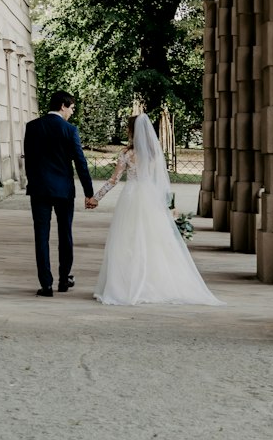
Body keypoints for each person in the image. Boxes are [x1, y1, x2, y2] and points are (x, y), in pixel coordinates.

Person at [92, 112, 221, 306]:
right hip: (151, 198)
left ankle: (125, 285)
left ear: (132, 131)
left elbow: (113, 180)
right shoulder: (154, 153)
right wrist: (170, 205)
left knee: (127, 242)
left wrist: (96, 198)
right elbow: (161, 182)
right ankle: (152, 283)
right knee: (153, 242)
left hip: (132, 198)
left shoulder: (126, 154)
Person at [23, 90, 97, 297]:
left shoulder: (32, 127)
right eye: (72, 108)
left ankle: (46, 285)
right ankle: (64, 279)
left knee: (41, 237)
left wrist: (34, 182)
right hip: (64, 191)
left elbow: (29, 160)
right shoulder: (69, 130)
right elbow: (81, 163)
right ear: (63, 106)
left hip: (39, 190)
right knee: (65, 234)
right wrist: (89, 192)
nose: (72, 112)